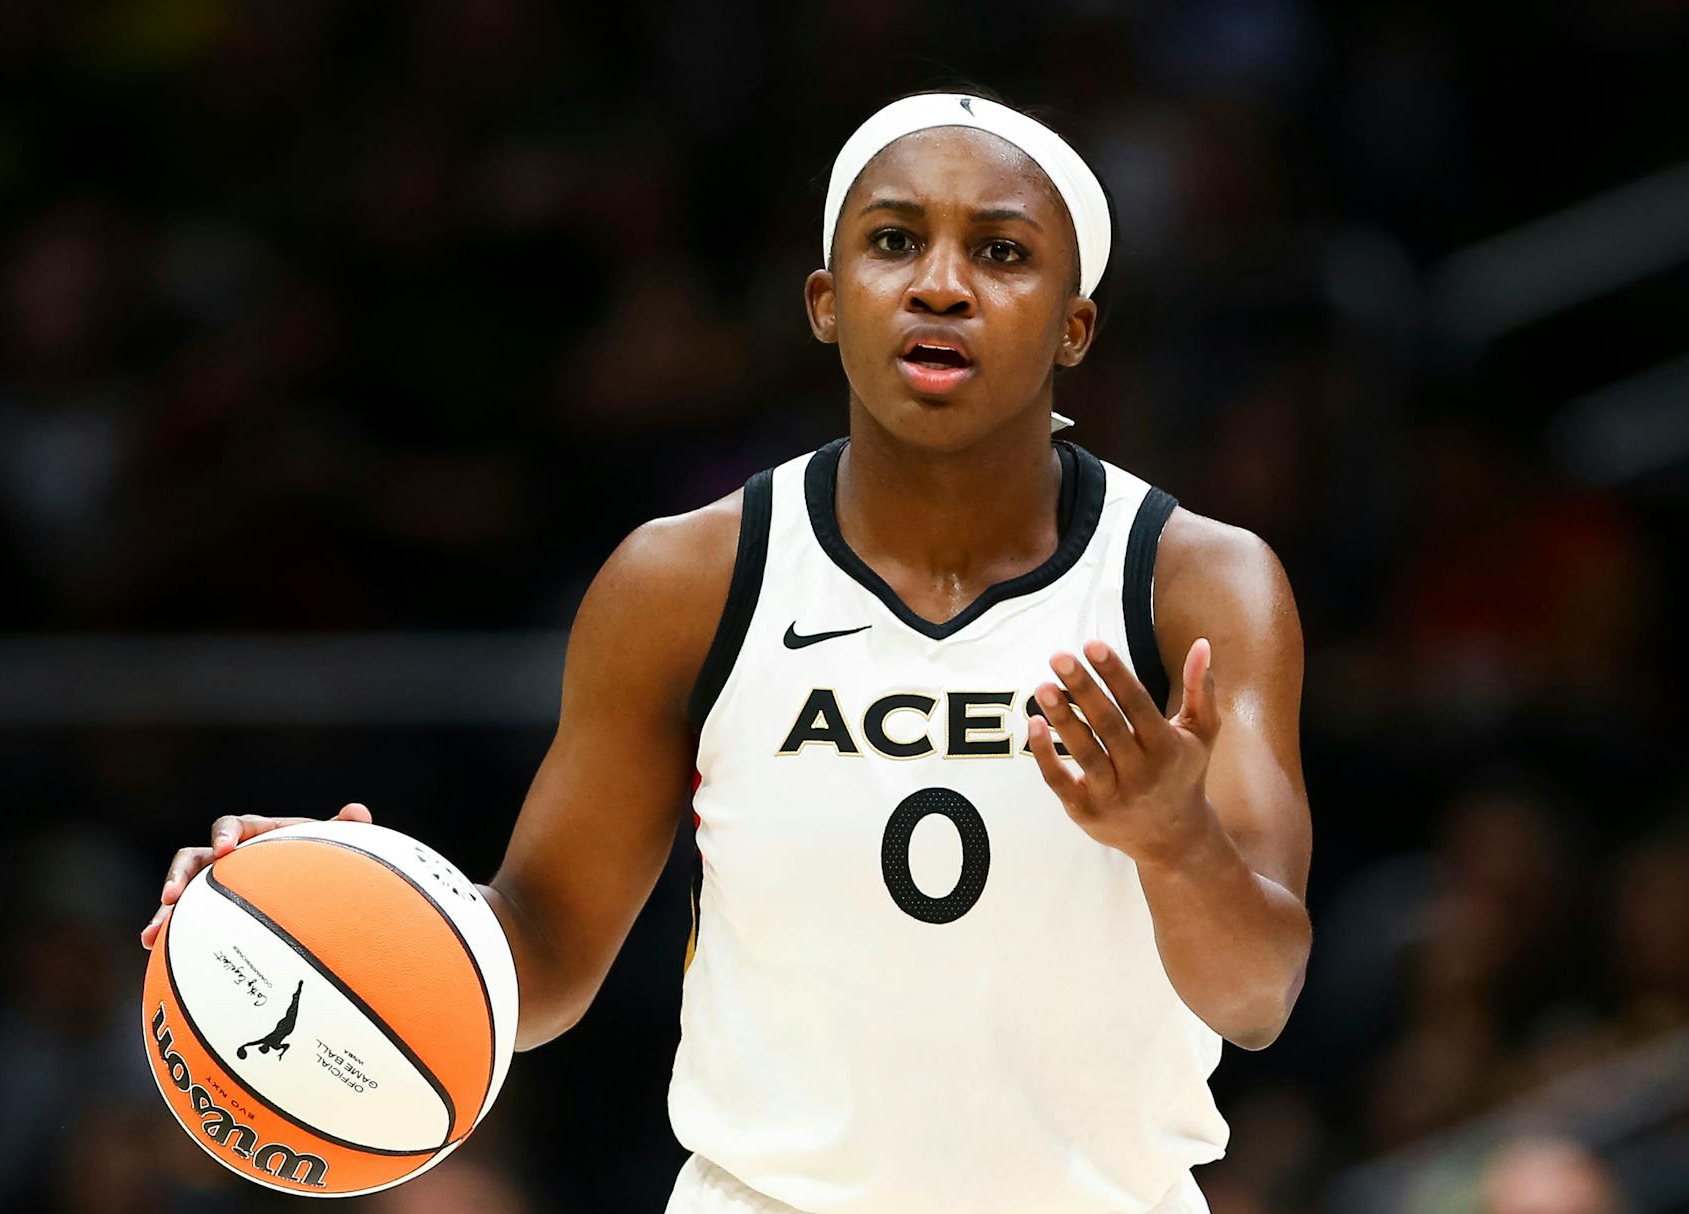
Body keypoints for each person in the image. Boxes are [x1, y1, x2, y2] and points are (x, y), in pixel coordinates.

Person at [141, 88, 1313, 1214]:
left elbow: (1259, 994)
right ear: (824, 297)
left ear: (1076, 324)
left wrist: (1176, 842)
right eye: (894, 241)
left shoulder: (1196, 581)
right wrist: (349, 901)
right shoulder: (686, 580)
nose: (941, 286)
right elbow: (541, 951)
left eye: (1001, 254)